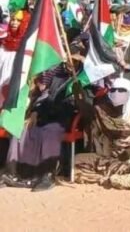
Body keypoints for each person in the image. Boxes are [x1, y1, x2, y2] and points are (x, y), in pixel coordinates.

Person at [1, 55, 79, 191]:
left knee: (50, 133)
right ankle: (14, 172)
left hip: (65, 118)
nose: (69, 64)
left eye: (74, 62)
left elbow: (80, 103)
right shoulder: (57, 79)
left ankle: (46, 175)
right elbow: (44, 98)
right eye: (66, 62)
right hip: (46, 116)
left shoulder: (81, 80)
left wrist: (77, 85)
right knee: (22, 130)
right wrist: (35, 112)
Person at [73, 78, 130, 189]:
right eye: (113, 90)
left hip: (128, 156)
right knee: (77, 161)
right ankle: (113, 175)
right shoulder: (102, 107)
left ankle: (117, 174)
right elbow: (89, 114)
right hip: (105, 154)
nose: (116, 93)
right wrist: (79, 96)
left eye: (121, 90)